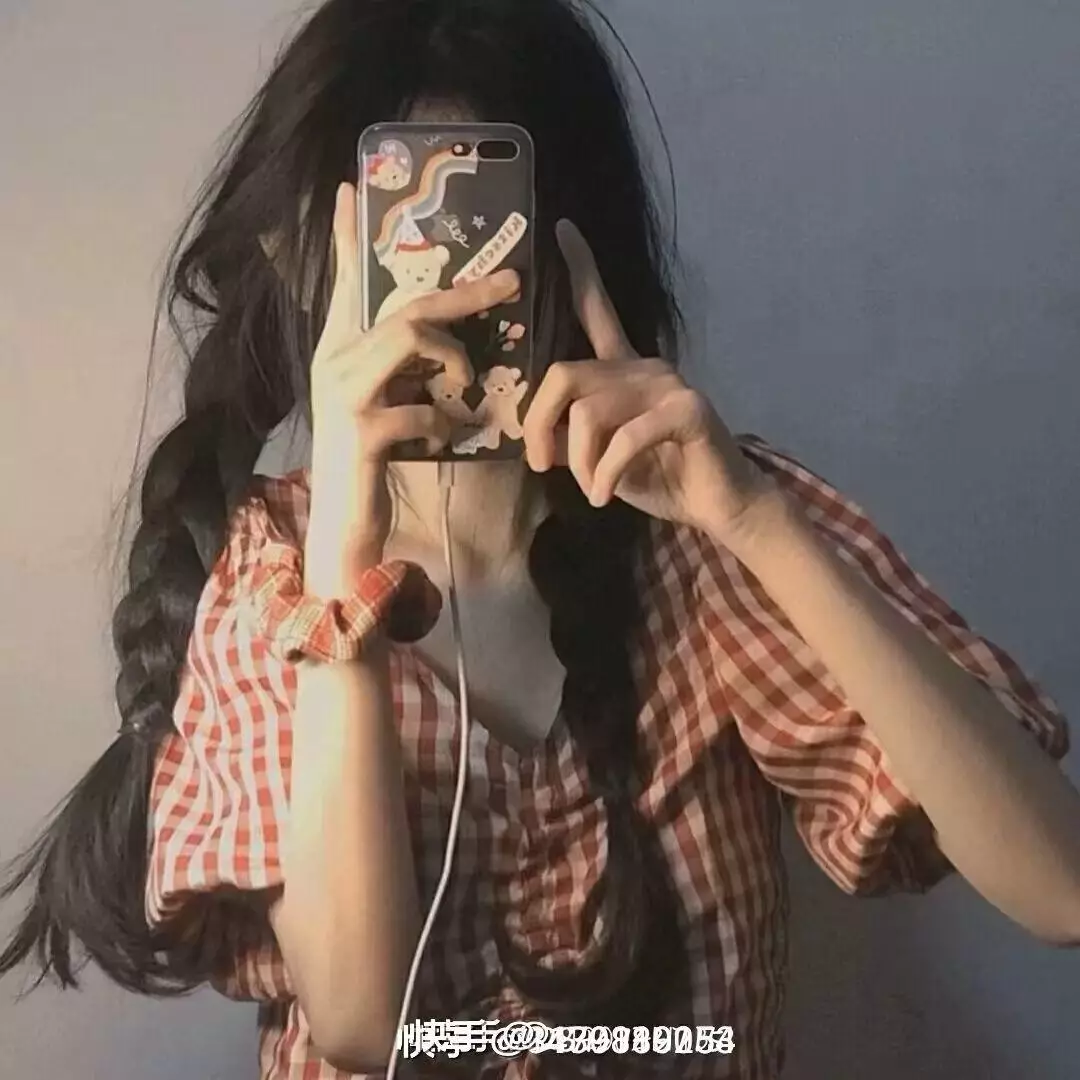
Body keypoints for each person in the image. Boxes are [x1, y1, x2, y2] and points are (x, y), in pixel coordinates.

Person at [3, 2, 1079, 1078]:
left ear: (572, 241)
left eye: (482, 224)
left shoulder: (712, 530)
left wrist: (758, 524)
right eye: (401, 234)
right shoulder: (276, 573)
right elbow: (366, 1026)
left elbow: (1060, 890)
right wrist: (341, 574)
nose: (443, 289)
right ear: (299, 258)